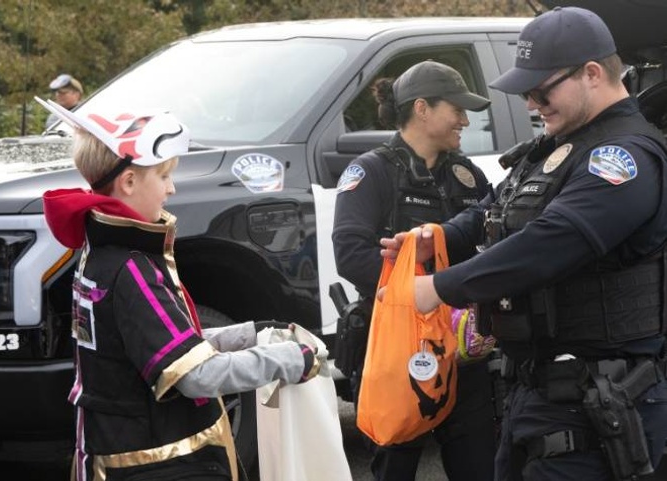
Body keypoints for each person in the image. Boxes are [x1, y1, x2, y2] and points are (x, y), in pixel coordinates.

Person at [380, 7, 667, 481]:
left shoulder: (623, 157)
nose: (532, 104)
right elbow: (497, 206)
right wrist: (439, 238)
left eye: (541, 90)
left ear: (592, 73)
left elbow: (551, 242)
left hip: (601, 407)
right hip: (535, 397)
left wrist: (440, 286)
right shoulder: (560, 146)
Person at [37, 99, 321, 481]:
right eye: (164, 175)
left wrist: (246, 335)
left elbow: (150, 345)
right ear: (129, 181)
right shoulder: (131, 267)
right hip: (154, 462)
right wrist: (290, 360)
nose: (171, 188)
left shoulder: (99, 251)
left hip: (111, 450)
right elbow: (195, 376)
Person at [332, 60, 496, 481]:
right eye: (456, 108)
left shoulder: (467, 173)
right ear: (422, 108)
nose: (464, 118)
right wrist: (424, 289)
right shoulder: (370, 170)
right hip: (396, 349)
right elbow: (350, 255)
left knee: (479, 466)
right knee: (395, 468)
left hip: (461, 351)